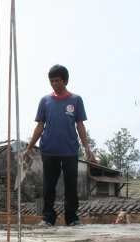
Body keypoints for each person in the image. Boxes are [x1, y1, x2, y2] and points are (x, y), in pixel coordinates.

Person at [23, 64, 93, 227]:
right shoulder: (45, 101)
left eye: (57, 80)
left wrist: (87, 147)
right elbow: (40, 125)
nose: (54, 83)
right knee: (49, 185)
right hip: (49, 149)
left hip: (69, 150)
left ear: (65, 81)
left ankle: (72, 218)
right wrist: (29, 147)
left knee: (71, 185)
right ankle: (48, 217)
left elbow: (80, 125)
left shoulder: (75, 100)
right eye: (51, 81)